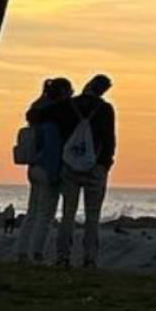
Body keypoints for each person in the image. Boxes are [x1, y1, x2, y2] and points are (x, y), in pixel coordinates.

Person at [55, 73, 117, 269]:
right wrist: (106, 164)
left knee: (68, 213)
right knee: (92, 216)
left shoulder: (69, 106)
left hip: (70, 164)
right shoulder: (105, 109)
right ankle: (89, 258)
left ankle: (62, 256)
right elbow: (109, 139)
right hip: (95, 166)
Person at [15, 78, 77, 265]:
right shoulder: (53, 120)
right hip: (47, 167)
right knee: (46, 214)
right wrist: (54, 173)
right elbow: (52, 149)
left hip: (33, 167)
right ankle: (37, 253)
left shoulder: (37, 114)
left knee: (33, 211)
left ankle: (22, 252)